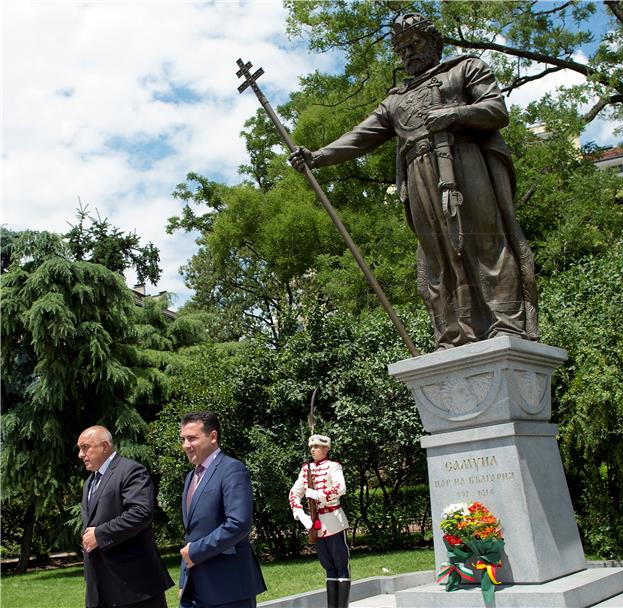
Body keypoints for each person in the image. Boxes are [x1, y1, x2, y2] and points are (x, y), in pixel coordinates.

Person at [289, 12, 538, 350]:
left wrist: (454, 115)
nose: (408, 53)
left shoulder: (464, 69)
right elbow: (360, 136)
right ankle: (453, 334)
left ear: (435, 43)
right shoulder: (396, 100)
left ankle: (506, 324)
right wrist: (316, 157)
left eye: (414, 44)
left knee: (485, 239)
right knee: (438, 254)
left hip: (465, 160)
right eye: (401, 49)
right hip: (419, 171)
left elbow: (496, 110)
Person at [77, 425, 173, 608]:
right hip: (101, 590)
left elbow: (141, 512)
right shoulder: (90, 482)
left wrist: (100, 534)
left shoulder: (131, 471)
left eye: (85, 447)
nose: (80, 455)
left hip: (136, 588)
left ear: (104, 446)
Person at [178, 411, 266, 608]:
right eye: (183, 439)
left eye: (192, 438)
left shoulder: (232, 469)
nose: (186, 445)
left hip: (229, 589)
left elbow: (238, 523)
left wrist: (195, 552)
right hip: (195, 589)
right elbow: (192, 533)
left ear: (213, 436)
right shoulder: (190, 477)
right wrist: (184, 580)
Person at [289, 434, 350, 608]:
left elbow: (341, 488)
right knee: (328, 566)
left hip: (333, 521)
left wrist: (318, 495)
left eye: (317, 447)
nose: (313, 450)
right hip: (315, 524)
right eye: (311, 447)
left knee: (341, 565)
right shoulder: (305, 469)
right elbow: (294, 493)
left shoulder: (334, 467)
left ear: (326, 448)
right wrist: (301, 514)